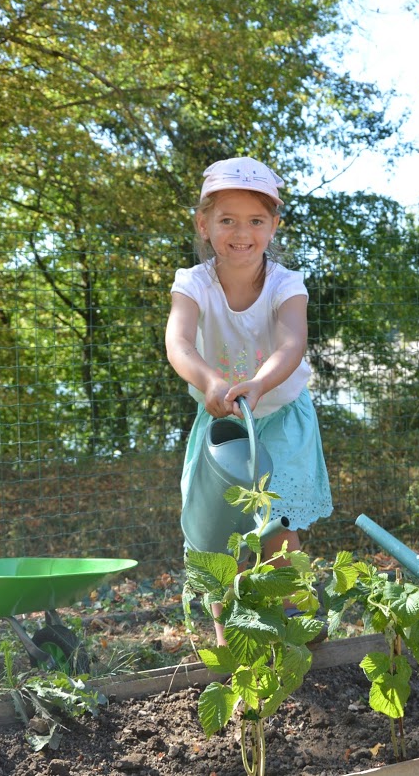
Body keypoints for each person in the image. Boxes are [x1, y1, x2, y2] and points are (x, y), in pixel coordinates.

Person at [165, 156, 333, 643]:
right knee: (221, 528)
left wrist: (258, 382)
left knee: (277, 523)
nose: (243, 233)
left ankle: (298, 613)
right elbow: (179, 343)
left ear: (274, 225)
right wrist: (210, 382)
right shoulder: (193, 284)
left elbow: (291, 343)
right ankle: (230, 637)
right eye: (227, 221)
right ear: (204, 224)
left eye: (256, 221)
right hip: (224, 429)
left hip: (280, 417)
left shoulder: (286, 284)